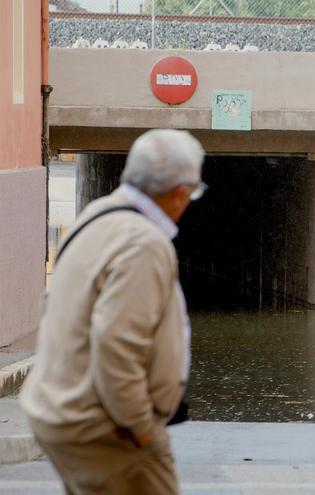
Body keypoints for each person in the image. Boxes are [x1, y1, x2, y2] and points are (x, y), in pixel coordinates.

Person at [20, 129, 206, 495]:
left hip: (61, 414)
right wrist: (141, 428)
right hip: (106, 430)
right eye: (193, 192)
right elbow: (117, 344)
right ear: (180, 191)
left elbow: (51, 306)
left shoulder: (96, 216)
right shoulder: (142, 242)